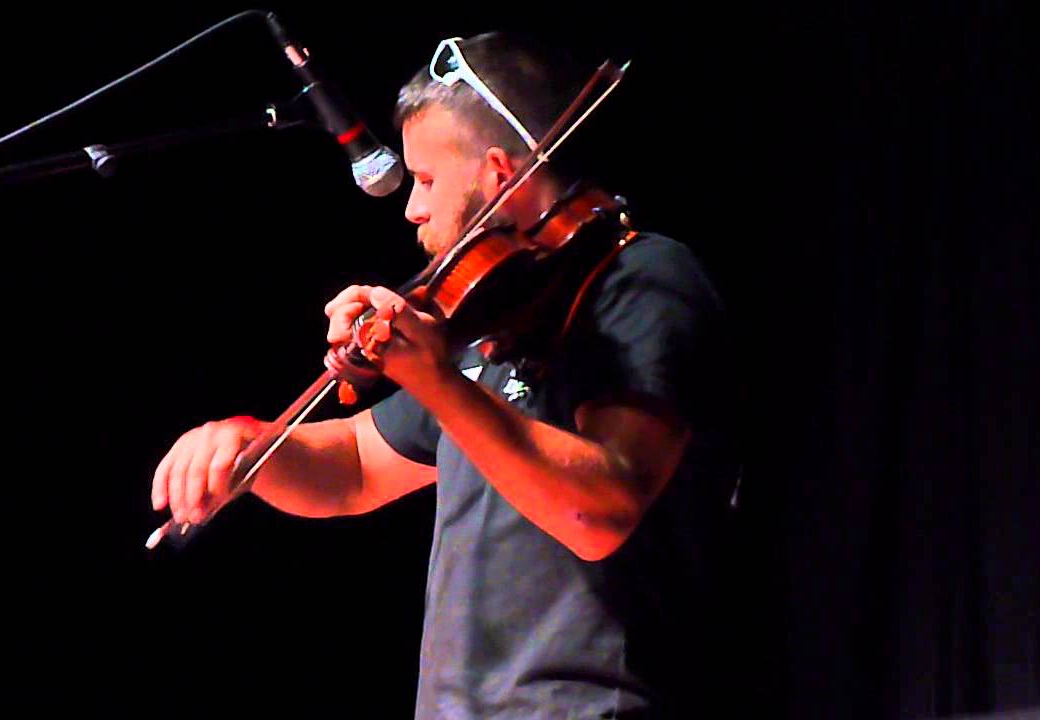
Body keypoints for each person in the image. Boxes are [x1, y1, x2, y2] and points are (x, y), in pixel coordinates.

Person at [150, 31, 743, 719]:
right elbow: (354, 468)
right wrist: (250, 445)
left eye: (427, 180)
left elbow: (602, 511)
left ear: (497, 173)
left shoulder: (640, 282)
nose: (412, 209)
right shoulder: (494, 317)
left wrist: (437, 378)